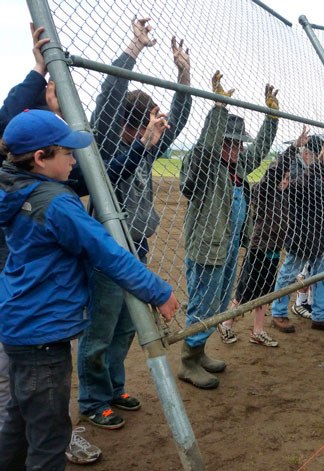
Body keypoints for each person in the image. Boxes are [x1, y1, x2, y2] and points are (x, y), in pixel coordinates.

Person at [0, 109, 178, 470]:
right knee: (49, 437)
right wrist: (157, 290)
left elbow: (101, 175)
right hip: (43, 332)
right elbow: (107, 250)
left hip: (20, 325)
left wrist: (144, 145)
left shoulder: (15, 185)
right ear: (40, 158)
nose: (73, 159)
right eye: (67, 153)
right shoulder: (56, 202)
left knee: (18, 420)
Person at [77, 17, 191, 429]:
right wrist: (134, 48)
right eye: (146, 124)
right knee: (100, 329)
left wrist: (184, 73)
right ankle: (92, 400)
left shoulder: (147, 142)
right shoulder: (107, 140)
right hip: (107, 249)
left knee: (127, 327)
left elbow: (176, 118)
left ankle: (113, 386)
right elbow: (109, 97)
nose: (153, 131)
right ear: (131, 124)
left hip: (137, 246)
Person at [0, 23, 102, 465]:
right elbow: (8, 130)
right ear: (40, 156)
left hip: (19, 303)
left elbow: (98, 165)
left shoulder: (30, 180)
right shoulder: (33, 191)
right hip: (29, 313)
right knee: (29, 405)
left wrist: (39, 90)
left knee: (19, 405)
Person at [179, 71, 279, 388]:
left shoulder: (235, 167)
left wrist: (272, 117)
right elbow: (206, 149)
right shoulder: (204, 162)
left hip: (228, 248)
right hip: (208, 248)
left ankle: (199, 352)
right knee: (202, 305)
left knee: (219, 306)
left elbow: (260, 150)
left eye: (239, 144)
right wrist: (218, 110)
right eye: (231, 143)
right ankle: (187, 362)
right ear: (219, 139)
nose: (237, 149)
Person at [270, 134, 324, 335]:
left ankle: (320, 315)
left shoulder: (323, 170)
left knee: (322, 274)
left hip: (320, 232)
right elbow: (297, 188)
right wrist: (318, 165)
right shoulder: (293, 169)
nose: (322, 157)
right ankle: (278, 312)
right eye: (318, 153)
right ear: (307, 153)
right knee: (288, 273)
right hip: (300, 233)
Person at [228, 149, 292, 347]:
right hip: (259, 248)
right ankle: (226, 322)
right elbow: (272, 177)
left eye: (288, 178)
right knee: (245, 291)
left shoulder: (284, 196)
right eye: (283, 177)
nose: (285, 181)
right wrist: (289, 153)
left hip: (273, 249)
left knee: (265, 292)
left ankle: (258, 330)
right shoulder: (264, 191)